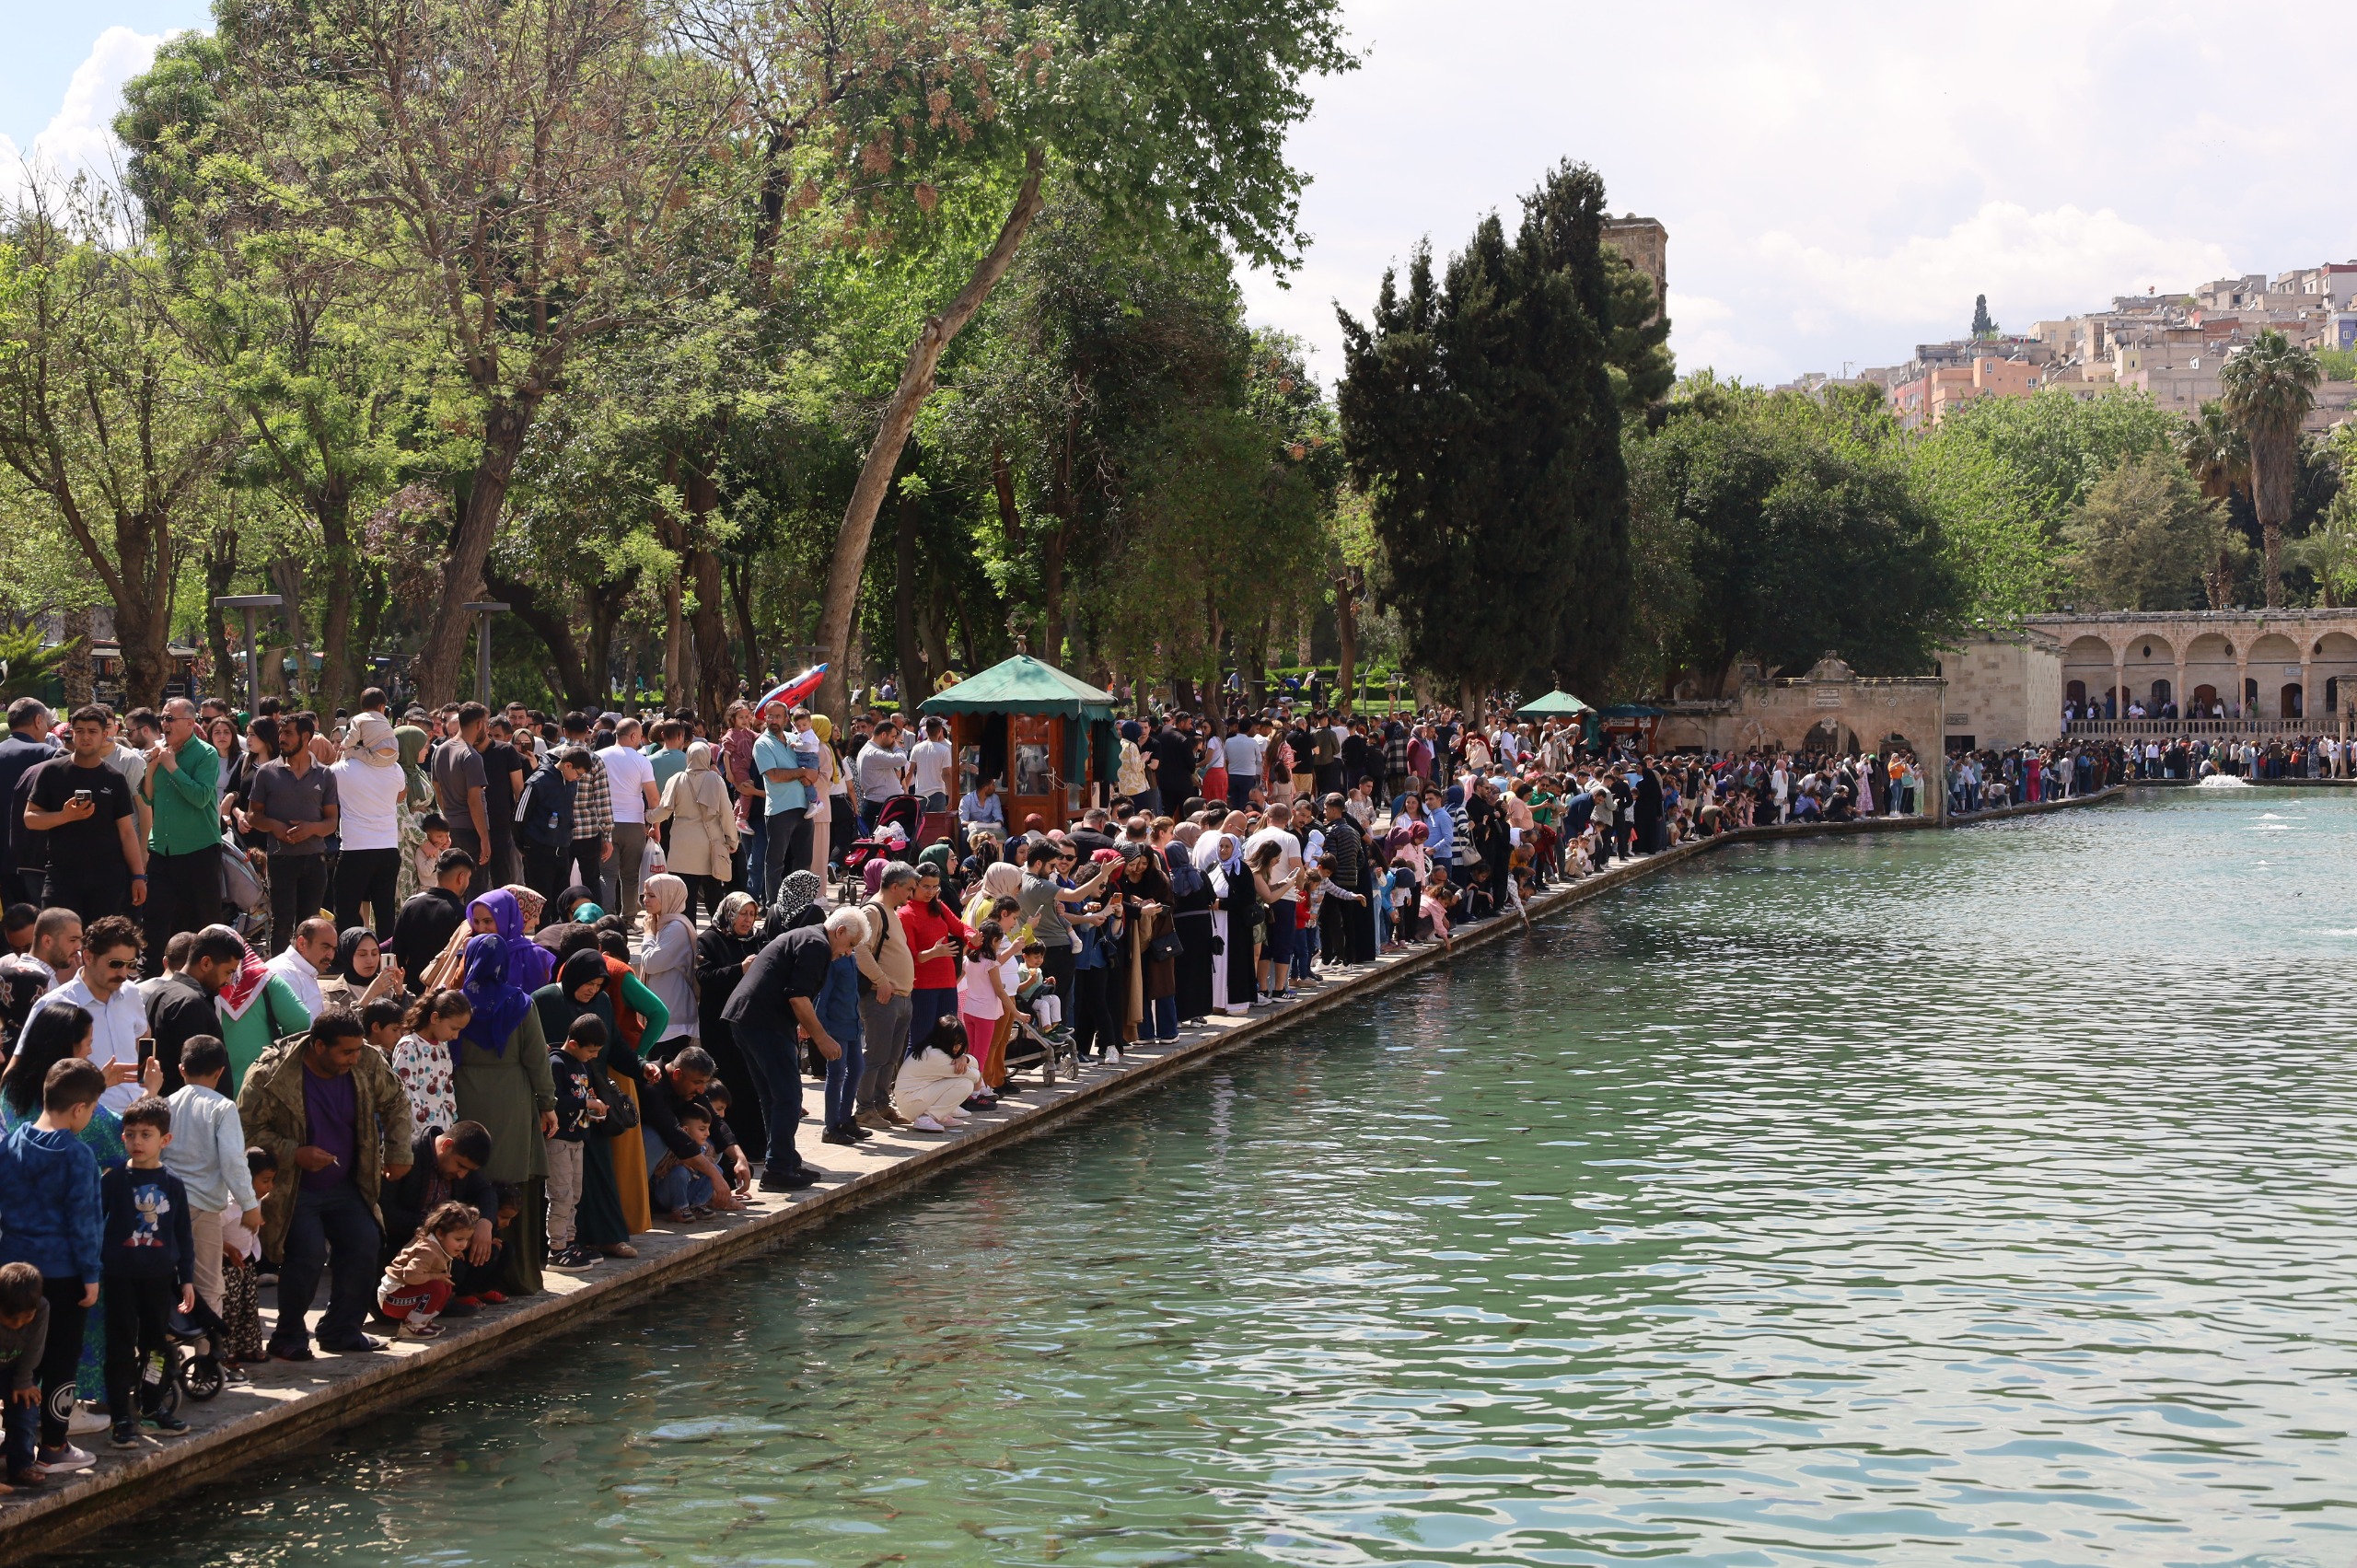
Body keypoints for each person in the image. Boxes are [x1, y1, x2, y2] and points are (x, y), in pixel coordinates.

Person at [237, 1010, 414, 1361]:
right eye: (345, 1052)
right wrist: (295, 1152)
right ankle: (287, 1336)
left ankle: (341, 1330)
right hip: (294, 1187)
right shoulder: (269, 1073)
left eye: (357, 1050)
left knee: (365, 1242)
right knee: (308, 1254)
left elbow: (396, 1101)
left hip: (348, 1182)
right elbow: (245, 1132)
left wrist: (399, 1152)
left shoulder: (367, 1062)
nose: (354, 1058)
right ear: (319, 1046)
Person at [0, 1058, 104, 1475]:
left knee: (18, 1363)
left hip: (13, 1274)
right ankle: (55, 1445)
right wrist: (91, 1275)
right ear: (80, 1108)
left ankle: (14, 1445)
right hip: (62, 1274)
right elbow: (85, 1222)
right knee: (61, 1359)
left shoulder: (8, 1146)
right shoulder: (78, 1158)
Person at [721, 908, 866, 1191]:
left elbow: (796, 993)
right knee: (788, 1096)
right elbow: (798, 997)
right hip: (762, 1021)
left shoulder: (809, 938)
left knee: (773, 1096)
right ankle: (777, 1168)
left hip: (748, 1017)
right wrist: (821, 1038)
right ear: (839, 932)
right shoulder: (817, 944)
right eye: (850, 945)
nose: (849, 953)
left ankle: (785, 1159)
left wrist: (804, 1024)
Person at [449, 933, 555, 1296]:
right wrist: (547, 1103)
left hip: (465, 1097)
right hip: (513, 1098)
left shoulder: (456, 1004)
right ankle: (519, 1275)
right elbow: (537, 1059)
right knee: (515, 1182)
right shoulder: (521, 1004)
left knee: (471, 1175)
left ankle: (470, 1280)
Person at [100, 1095, 195, 1447]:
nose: (137, 1142)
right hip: (120, 1277)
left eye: (146, 1134)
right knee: (121, 1346)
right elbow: (94, 1225)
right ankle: (120, 1417)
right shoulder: (112, 1182)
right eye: (130, 1134)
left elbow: (183, 1235)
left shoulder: (174, 1184)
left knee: (156, 1346)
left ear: (164, 1140)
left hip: (159, 1278)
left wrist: (187, 1278)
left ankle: (153, 1407)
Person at [159, 1036, 257, 1320]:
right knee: (208, 1284)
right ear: (220, 1072)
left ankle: (164, 1353)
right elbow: (233, 1160)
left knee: (168, 1279)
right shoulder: (223, 1108)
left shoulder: (166, 1104)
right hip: (203, 1209)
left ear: (181, 1070)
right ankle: (207, 1355)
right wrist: (249, 1205)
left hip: (165, 1206)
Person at [23, 704, 145, 923]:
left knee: (100, 944)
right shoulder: (51, 771)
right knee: (57, 939)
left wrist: (138, 876)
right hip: (62, 875)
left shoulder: (114, 778)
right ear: (71, 733)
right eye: (79, 731)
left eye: (92, 731)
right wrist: (64, 816)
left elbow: (127, 832)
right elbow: (30, 819)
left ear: (105, 735)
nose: (85, 737)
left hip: (107, 877)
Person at [28, 915, 150, 1116]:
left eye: (131, 964)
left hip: (140, 1116)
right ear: (88, 957)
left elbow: (143, 1035)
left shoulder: (131, 993)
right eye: (116, 963)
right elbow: (23, 1067)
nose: (123, 973)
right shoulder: (54, 1005)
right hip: (88, 1122)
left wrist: (146, 1083)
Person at [248, 713, 341, 946]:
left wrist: (311, 829)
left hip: (315, 860)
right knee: (282, 924)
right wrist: (274, 826)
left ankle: (308, 978)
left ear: (306, 736)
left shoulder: (325, 774)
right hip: (280, 860)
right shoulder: (266, 772)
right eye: (280, 732)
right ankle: (280, 978)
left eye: (288, 733)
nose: (281, 738)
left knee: (310, 927)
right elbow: (253, 815)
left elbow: (332, 822)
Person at [848, 864, 917, 1132]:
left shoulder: (891, 911)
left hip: (899, 997)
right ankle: (864, 1109)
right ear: (895, 886)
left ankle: (880, 1103)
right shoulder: (873, 911)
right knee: (876, 1054)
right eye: (909, 888)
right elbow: (860, 951)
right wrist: (881, 981)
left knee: (891, 1056)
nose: (911, 894)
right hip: (882, 998)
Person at [330, 706, 409, 937]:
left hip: (355, 850)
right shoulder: (395, 769)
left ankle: (348, 959)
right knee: (385, 912)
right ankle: (386, 959)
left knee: (346, 910)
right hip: (387, 848)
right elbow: (400, 796)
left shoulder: (340, 770)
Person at [655, 741, 735, 921]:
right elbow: (727, 813)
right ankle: (720, 937)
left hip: (682, 848)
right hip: (710, 847)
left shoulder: (676, 779)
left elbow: (664, 811)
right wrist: (732, 840)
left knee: (685, 899)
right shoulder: (715, 780)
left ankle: (686, 938)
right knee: (714, 898)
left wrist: (648, 817)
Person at [377, 1202, 477, 1340]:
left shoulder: (438, 1245)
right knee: (437, 1287)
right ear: (440, 1233)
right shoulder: (428, 1250)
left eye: (467, 1240)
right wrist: (435, 1276)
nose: (463, 1244)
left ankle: (423, 1321)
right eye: (459, 1239)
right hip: (391, 1300)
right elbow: (411, 1275)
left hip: (402, 1295)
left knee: (445, 1287)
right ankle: (411, 1326)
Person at [598, 718, 660, 918]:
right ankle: (629, 917)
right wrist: (655, 825)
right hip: (634, 823)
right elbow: (653, 797)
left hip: (605, 823)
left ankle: (608, 916)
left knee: (607, 874)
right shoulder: (642, 760)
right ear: (633, 736)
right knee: (631, 875)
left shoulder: (598, 757)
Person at [430, 703, 493, 896]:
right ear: (479, 724)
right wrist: (484, 839)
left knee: (449, 889)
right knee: (475, 890)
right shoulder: (471, 756)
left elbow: (437, 790)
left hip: (449, 829)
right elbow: (474, 801)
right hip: (470, 832)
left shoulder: (440, 750)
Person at [0, 699, 58, 905]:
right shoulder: (47, 754)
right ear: (38, 720)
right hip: (35, 860)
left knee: (12, 926)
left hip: (3, 861)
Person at [0, 1261, 52, 1490]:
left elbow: (34, 1348)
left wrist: (23, 1381)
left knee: (26, 1409)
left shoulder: (41, 1309)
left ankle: (21, 1465)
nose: (19, 1325)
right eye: (11, 1320)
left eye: (25, 1318)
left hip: (16, 1371)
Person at [633, 872, 698, 1054]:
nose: (645, 899)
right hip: (664, 1015)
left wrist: (648, 934)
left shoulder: (676, 927)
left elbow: (652, 963)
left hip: (673, 1019)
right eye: (645, 894)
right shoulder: (662, 924)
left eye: (652, 895)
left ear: (669, 896)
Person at [390, 848, 475, 983]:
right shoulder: (462, 916)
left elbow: (396, 956)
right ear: (461, 877)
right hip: (443, 994)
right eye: (468, 878)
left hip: (410, 992)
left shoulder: (410, 905)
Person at [892, 1013, 982, 1132]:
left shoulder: (933, 1049)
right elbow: (975, 1076)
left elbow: (975, 1064)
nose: (957, 1048)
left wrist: (965, 1059)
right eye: (954, 1043)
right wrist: (967, 1062)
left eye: (960, 1043)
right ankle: (927, 1117)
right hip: (911, 1104)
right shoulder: (935, 1055)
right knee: (965, 1084)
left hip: (915, 1098)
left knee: (962, 1080)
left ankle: (940, 1114)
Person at [266, 915, 337, 1019]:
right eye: (325, 947)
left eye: (334, 949)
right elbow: (295, 1030)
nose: (330, 955)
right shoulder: (285, 974)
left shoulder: (304, 970)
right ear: (302, 943)